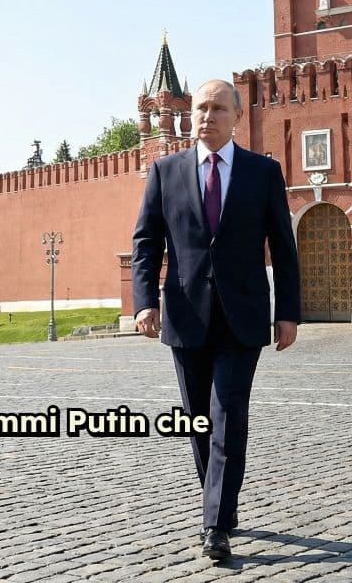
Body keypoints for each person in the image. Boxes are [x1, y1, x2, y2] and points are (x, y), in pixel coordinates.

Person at [131, 79, 301, 561]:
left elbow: (284, 251)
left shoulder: (262, 172)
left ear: (237, 116)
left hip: (243, 316)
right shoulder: (165, 171)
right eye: (201, 108)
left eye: (218, 108)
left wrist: (287, 313)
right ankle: (222, 507)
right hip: (186, 315)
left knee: (227, 415)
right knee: (199, 420)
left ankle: (213, 525)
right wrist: (145, 302)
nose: (207, 116)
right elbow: (147, 243)